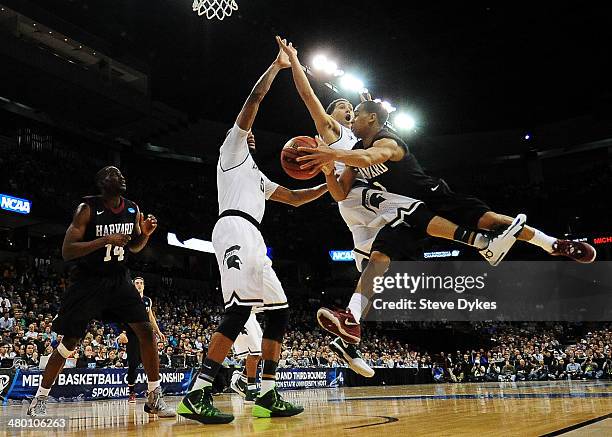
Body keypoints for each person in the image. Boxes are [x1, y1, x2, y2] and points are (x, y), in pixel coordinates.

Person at [277, 37, 527, 345]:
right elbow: (307, 95)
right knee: (413, 210)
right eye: (344, 108)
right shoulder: (334, 132)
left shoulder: (363, 138)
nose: (348, 110)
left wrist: (372, 112)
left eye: (352, 108)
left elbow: (376, 146)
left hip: (357, 203)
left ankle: (350, 333)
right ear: (332, 117)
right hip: (360, 196)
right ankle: (479, 242)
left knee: (377, 262)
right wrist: (293, 62)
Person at [176, 40, 327, 424]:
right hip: (233, 226)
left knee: (279, 312)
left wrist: (329, 178)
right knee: (241, 309)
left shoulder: (257, 176)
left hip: (255, 236)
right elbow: (254, 100)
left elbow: (293, 197)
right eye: (246, 130)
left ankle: (267, 392)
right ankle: (198, 391)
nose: (251, 132)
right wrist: (278, 67)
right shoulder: (231, 152)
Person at [27, 166, 174, 418]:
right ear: (103, 184)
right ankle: (40, 398)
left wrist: (146, 235)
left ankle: (153, 396)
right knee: (69, 343)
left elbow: (135, 247)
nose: (122, 177)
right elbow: (67, 251)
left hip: (119, 280)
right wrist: (104, 240)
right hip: (89, 282)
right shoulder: (87, 209)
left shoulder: (132, 208)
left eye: (122, 174)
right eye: (115, 175)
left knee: (146, 332)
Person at [126, 276, 166, 403]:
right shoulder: (129, 300)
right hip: (132, 334)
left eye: (141, 283)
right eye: (136, 283)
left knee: (150, 364)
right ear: (133, 285)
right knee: (133, 365)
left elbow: (151, 317)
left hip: (146, 335)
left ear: (144, 285)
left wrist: (158, 331)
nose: (139, 285)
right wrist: (122, 332)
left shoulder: (148, 300)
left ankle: (152, 391)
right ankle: (131, 392)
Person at [229, 313, 262, 403]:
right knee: (254, 353)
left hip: (252, 315)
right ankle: (251, 390)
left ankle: (241, 381)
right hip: (242, 314)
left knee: (259, 353)